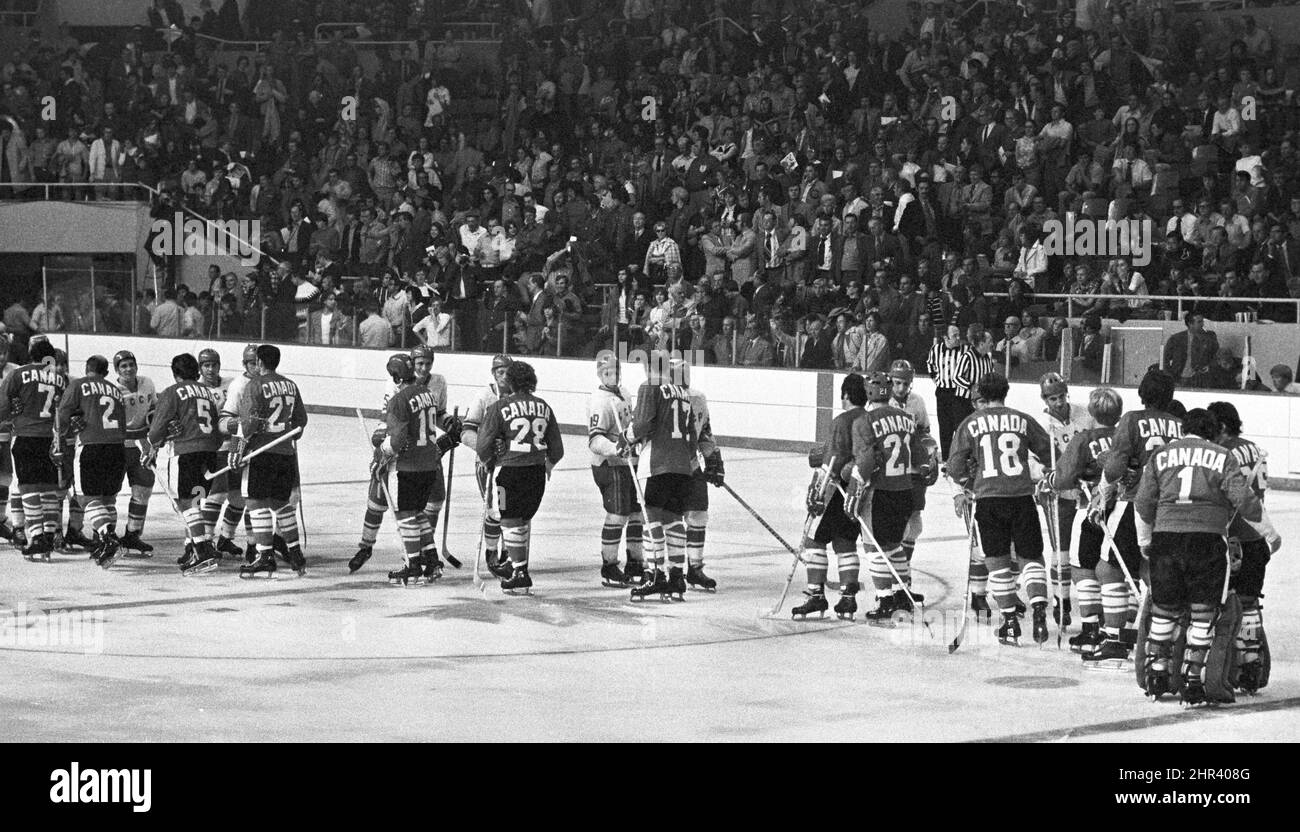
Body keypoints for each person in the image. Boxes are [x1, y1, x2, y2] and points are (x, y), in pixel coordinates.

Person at [1134, 408, 1278, 704]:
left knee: (1164, 609)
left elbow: (1143, 502)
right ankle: (1192, 679)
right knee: (1203, 613)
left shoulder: (1160, 455)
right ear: (1212, 431)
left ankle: (1158, 673)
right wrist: (1270, 533)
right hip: (1208, 540)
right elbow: (1244, 500)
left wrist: (1145, 541)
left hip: (1166, 538)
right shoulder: (1222, 456)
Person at [947, 371, 1055, 645]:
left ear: (982, 394)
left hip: (989, 498)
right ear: (1006, 392)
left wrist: (969, 480)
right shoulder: (1023, 419)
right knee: (1031, 556)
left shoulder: (970, 423)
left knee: (996, 559)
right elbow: (1050, 453)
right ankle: (1039, 606)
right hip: (1021, 497)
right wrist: (1050, 474)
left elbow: (954, 467)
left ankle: (1009, 622)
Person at [1088, 367, 1185, 666]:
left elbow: (1116, 465)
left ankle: (1115, 638)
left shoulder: (1131, 419)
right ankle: (1164, 634)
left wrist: (1103, 491)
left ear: (1142, 392)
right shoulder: (1179, 424)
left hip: (1135, 504)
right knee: (1153, 569)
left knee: (1109, 568)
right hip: (1170, 508)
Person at [846, 371, 932, 621]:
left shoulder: (864, 421)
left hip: (880, 493)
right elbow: (920, 455)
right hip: (905, 491)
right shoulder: (906, 418)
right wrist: (927, 467)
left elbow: (865, 461)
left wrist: (853, 491)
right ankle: (900, 594)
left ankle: (885, 601)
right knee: (894, 546)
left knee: (874, 550)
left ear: (869, 392)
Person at [372, 352, 460, 585]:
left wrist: (383, 449)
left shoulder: (398, 400)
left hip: (408, 466)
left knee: (405, 516)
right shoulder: (428, 395)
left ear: (397, 378)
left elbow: (398, 440)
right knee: (419, 513)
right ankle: (431, 561)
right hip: (430, 464)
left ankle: (412, 566)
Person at [475, 361, 564, 594]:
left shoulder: (499, 406)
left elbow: (483, 445)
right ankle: (515, 565)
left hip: (509, 472)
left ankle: (520, 571)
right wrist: (547, 465)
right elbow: (558, 450)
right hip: (535, 473)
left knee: (508, 519)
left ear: (511, 381)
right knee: (522, 519)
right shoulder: (544, 406)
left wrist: (488, 462)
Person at [1206, 401, 1274, 694]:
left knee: (1229, 603)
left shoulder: (1225, 452)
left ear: (1221, 426)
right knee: (1249, 604)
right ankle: (1251, 662)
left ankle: (1232, 665)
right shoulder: (1255, 449)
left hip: (1234, 537)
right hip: (1256, 537)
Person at [622, 357, 702, 601]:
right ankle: (677, 576)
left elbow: (643, 423)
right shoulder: (682, 392)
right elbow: (691, 434)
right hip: (682, 465)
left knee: (651, 518)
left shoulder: (649, 386)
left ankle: (654, 574)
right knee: (673, 520)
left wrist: (625, 439)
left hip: (656, 462)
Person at [1051, 387, 1123, 656]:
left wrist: (1052, 480)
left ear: (1092, 413)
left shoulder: (1084, 438)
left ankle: (1091, 629)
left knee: (1082, 566)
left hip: (1090, 508)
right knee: (1114, 567)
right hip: (1120, 510)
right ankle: (1114, 626)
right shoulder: (1124, 436)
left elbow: (1063, 478)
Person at [794, 373, 867, 620]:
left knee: (814, 540)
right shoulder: (868, 418)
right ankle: (848, 599)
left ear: (844, 395)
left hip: (836, 490)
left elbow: (832, 463)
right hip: (857, 493)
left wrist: (816, 491)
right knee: (845, 542)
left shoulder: (842, 420)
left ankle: (815, 595)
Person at [147, 353, 225, 575]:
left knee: (185, 503)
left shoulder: (172, 392)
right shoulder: (207, 394)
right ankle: (194, 548)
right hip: (210, 454)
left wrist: (155, 442)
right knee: (197, 501)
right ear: (198, 371)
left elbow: (156, 430)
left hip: (186, 454)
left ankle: (202, 550)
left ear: (175, 374)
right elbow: (218, 429)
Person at [236, 345, 309, 578]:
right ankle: (295, 553)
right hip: (285, 454)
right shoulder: (290, 385)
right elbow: (300, 422)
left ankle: (265, 555)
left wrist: (239, 448)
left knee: (256, 502)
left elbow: (248, 423)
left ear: (258, 362)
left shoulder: (255, 384)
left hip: (260, 452)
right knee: (281, 503)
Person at [1035, 372, 1096, 628]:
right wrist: (1045, 475)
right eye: (1053, 399)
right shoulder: (1040, 422)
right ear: (1044, 399)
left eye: (1061, 397)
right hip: (1058, 491)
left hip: (1087, 489)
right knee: (1061, 548)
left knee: (1091, 547)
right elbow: (1035, 460)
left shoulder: (1085, 414)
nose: (1058, 403)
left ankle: (1095, 601)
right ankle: (1062, 601)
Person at [55, 354, 126, 569]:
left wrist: (58, 441)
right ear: (106, 372)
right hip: (117, 448)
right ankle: (104, 542)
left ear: (87, 368)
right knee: (108, 499)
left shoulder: (78, 385)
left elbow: (62, 414)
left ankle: (108, 538)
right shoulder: (115, 390)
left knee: (88, 498)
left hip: (91, 446)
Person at [0, 339, 68, 559]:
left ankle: (37, 537)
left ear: (31, 354)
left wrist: (8, 413)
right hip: (51, 439)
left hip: (27, 436)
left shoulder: (19, 374)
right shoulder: (60, 378)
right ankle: (49, 535)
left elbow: (2, 404)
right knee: (49, 487)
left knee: (28, 487)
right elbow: (66, 408)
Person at [585, 353, 645, 586]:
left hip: (631, 463)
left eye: (616, 371)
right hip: (609, 465)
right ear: (600, 374)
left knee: (636, 514)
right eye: (607, 372)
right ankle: (609, 565)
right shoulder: (599, 400)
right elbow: (594, 440)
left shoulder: (626, 393)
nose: (613, 376)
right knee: (618, 514)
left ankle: (635, 561)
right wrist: (614, 448)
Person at [460, 354, 513, 577]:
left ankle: (509, 552)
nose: (504, 376)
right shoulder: (484, 395)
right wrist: (487, 447)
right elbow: (466, 432)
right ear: (493, 373)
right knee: (497, 510)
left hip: (513, 464)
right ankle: (491, 553)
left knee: (514, 510)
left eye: (507, 371)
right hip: (489, 465)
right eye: (499, 372)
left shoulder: (519, 395)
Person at [886, 360, 937, 570]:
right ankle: (894, 574)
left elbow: (925, 432)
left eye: (905, 384)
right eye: (897, 383)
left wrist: (932, 456)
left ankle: (904, 572)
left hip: (914, 469)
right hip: (892, 471)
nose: (900, 388)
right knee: (894, 522)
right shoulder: (881, 402)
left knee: (915, 519)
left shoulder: (917, 402)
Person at [216, 344, 260, 561]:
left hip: (259, 449)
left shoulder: (265, 382)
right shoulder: (239, 386)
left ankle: (225, 537)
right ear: (245, 364)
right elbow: (224, 422)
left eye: (259, 362)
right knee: (248, 498)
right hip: (242, 449)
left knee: (240, 499)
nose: (257, 367)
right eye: (252, 363)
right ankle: (253, 545)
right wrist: (244, 424)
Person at [113, 350, 158, 556]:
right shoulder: (112, 389)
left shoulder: (147, 383)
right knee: (109, 492)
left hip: (142, 444)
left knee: (143, 491)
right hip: (117, 445)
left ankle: (132, 534)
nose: (128, 369)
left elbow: (154, 409)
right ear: (117, 370)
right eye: (123, 366)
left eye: (131, 364)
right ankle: (104, 536)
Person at [927, 324, 976, 458]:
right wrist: (937, 380)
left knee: (960, 427)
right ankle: (946, 460)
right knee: (944, 428)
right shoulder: (936, 349)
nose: (958, 338)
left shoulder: (966, 349)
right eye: (954, 335)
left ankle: (960, 459)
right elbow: (930, 365)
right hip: (942, 392)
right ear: (945, 338)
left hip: (959, 393)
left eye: (959, 334)